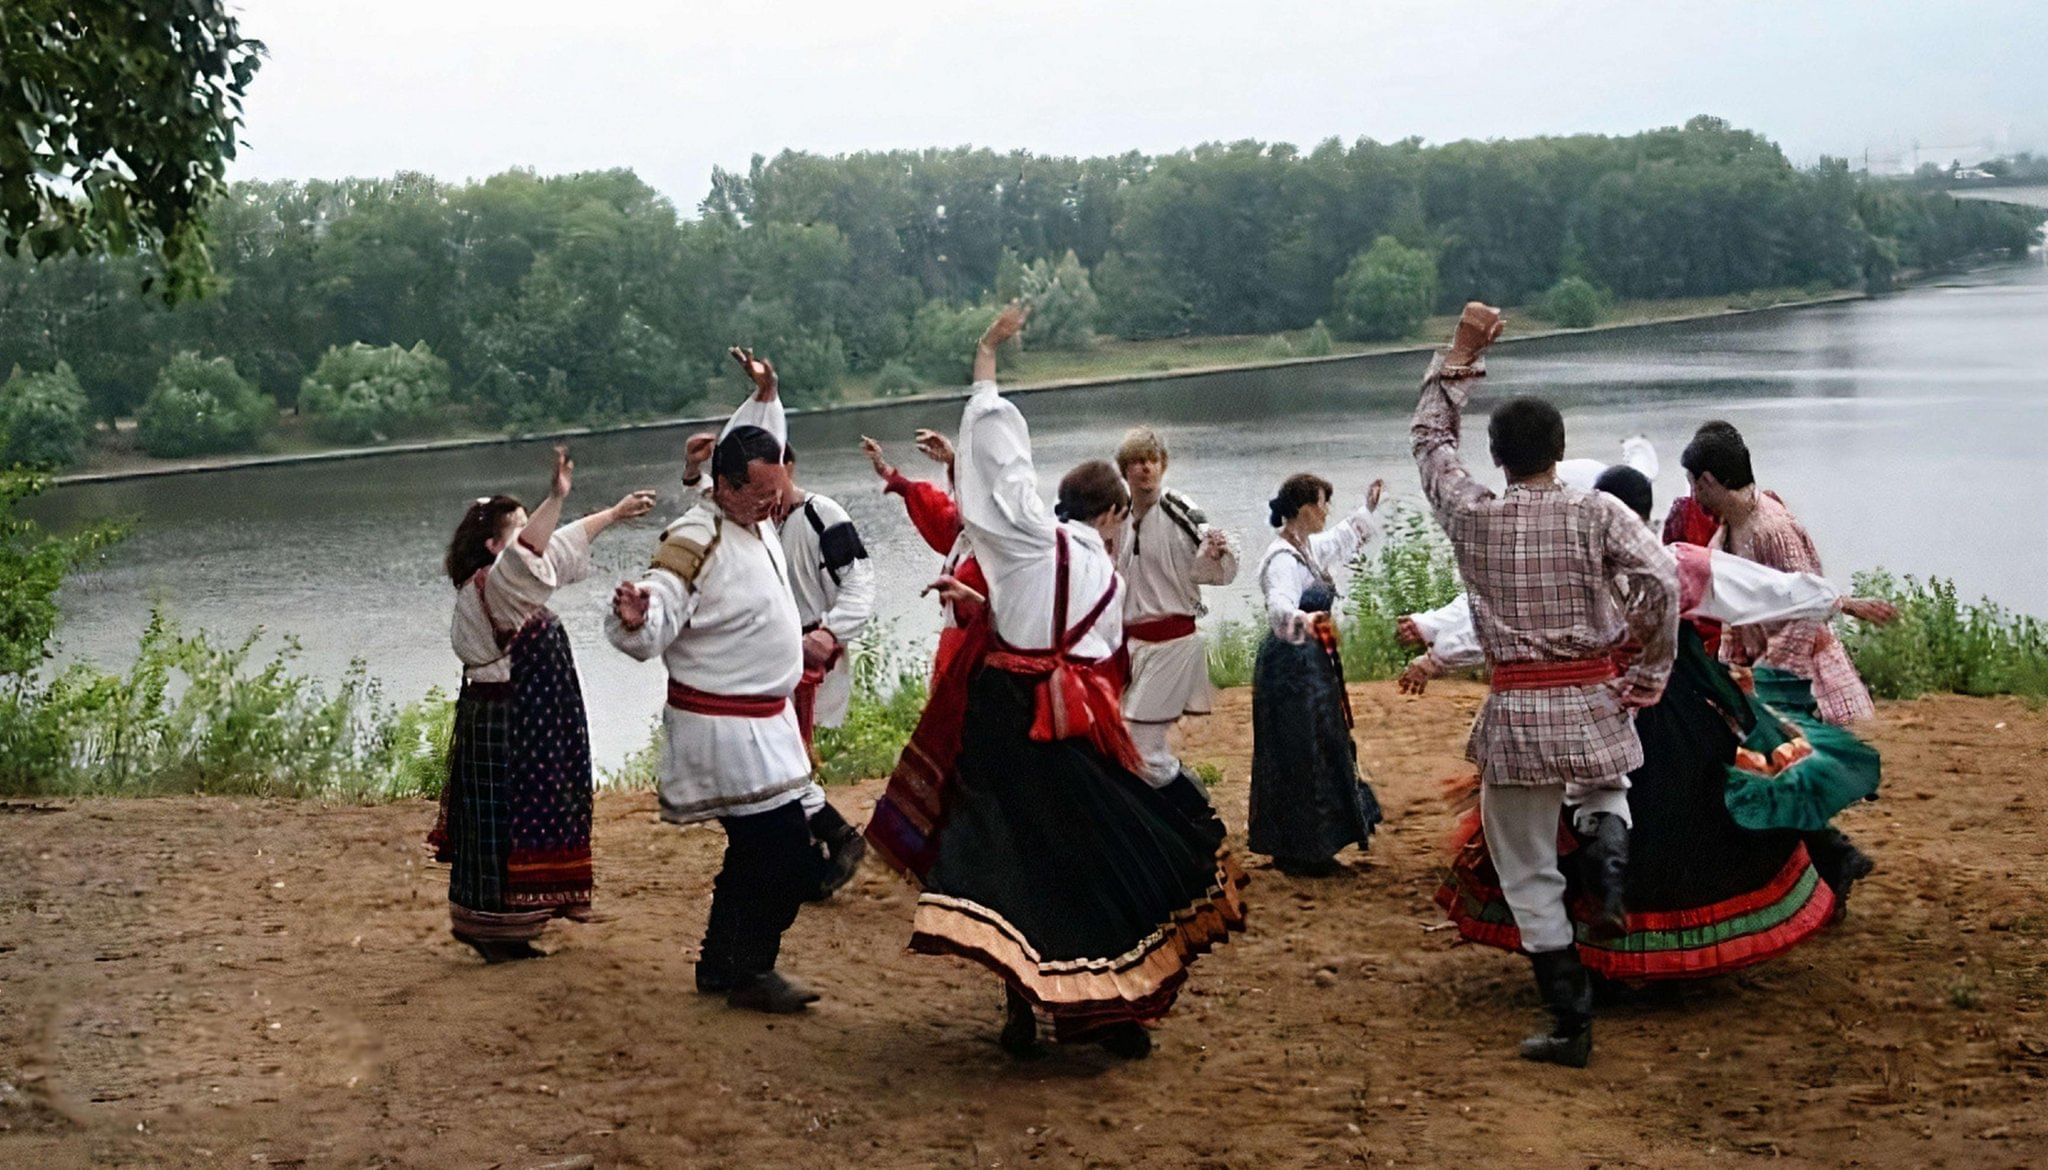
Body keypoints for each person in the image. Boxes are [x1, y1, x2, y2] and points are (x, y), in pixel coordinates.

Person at [891, 302, 1246, 1060]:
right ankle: (1102, 1009)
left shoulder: (1031, 543)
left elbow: (998, 473)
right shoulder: (1105, 577)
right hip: (1072, 719)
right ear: (1114, 512)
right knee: (1087, 853)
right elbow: (1081, 647)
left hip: (1006, 713)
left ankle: (1020, 1004)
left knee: (1007, 857)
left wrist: (987, 364)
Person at [1407, 465, 1895, 982]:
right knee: (1726, 784)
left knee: (1578, 810)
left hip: (1592, 705)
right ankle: (1820, 858)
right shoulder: (1671, 562)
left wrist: (1435, 653)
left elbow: (1509, 621)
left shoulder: (1576, 566)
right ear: (1645, 514)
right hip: (1675, 697)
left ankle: (1598, 932)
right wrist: (1838, 601)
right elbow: (1757, 589)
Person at [1412, 302, 1679, 1068]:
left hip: (1521, 712)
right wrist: (1649, 666)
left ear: (1497, 459)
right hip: (1594, 699)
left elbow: (1430, 443)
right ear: (1560, 452)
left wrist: (1461, 354)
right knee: (1603, 785)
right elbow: (1660, 578)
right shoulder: (1598, 512)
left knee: (1525, 866)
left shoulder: (1474, 515)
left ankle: (1571, 1023)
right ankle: (1609, 859)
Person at [606, 348, 826, 1014]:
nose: (770, 504)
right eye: (757, 494)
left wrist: (767, 391)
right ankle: (746, 969)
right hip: (724, 731)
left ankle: (724, 966)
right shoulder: (695, 538)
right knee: (786, 853)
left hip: (766, 725)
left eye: (775, 491)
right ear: (722, 486)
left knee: (762, 851)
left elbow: (761, 442)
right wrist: (638, 614)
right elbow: (657, 608)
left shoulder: (748, 514)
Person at [434, 446, 656, 962]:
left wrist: (615, 513)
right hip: (512, 721)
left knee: (498, 822)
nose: (530, 537)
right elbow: (535, 549)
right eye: (517, 529)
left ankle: (491, 923)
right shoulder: (501, 579)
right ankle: (496, 929)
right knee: (507, 822)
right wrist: (555, 495)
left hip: (506, 717)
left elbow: (558, 544)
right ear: (493, 546)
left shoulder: (499, 579)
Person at [1681, 421, 1882, 909]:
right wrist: (1732, 669)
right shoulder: (1731, 528)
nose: (1691, 496)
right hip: (1760, 673)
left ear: (1708, 480)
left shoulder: (1773, 528)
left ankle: (1834, 862)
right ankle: (1835, 861)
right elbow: (1735, 609)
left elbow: (1803, 607)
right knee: (1780, 778)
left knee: (1781, 779)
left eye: (1693, 485)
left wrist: (1768, 679)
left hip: (1793, 676)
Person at [677, 440, 876, 901]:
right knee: (771, 756)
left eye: (772, 479)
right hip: (762, 654)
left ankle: (827, 845)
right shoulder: (754, 521)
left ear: (788, 466)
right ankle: (818, 851)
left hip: (805, 653)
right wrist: (692, 468)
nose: (765, 493)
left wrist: (830, 634)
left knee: (779, 755)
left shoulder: (822, 514)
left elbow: (860, 578)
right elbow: (713, 503)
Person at [1246, 473, 1386, 876]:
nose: (1327, 512)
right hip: (1288, 668)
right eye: (1323, 503)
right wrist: (1305, 621)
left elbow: (1341, 538)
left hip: (1310, 664)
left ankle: (1310, 845)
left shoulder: (1305, 548)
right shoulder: (1281, 560)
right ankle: (1302, 850)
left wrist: (1368, 508)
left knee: (1322, 743)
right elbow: (1278, 609)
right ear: (1305, 508)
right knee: (1299, 750)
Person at [1113, 427, 1239, 827]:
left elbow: (1213, 565)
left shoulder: (1178, 507)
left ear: (1162, 466)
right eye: (1136, 461)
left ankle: (1201, 820)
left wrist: (1215, 550)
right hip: (1131, 649)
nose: (1145, 468)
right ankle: (1172, 825)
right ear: (1125, 471)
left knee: (1142, 747)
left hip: (1174, 645)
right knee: (1127, 745)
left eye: (1151, 460)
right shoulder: (1117, 518)